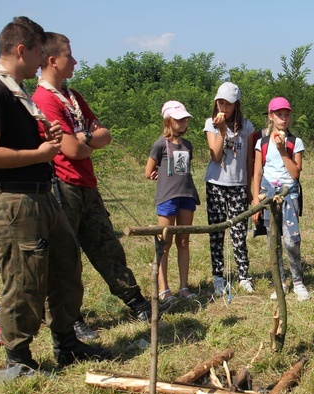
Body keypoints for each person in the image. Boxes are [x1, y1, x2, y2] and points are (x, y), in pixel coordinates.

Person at [0, 17, 111, 373]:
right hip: (13, 200)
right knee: (24, 279)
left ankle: (67, 344)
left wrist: (43, 140)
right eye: (36, 53)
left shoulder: (17, 93)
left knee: (66, 267)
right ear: (21, 50)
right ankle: (18, 359)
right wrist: (41, 154)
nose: (39, 62)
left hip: (41, 196)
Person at [32, 32, 159, 335]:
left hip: (86, 184)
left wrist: (85, 138)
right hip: (62, 185)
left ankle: (136, 301)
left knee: (106, 245)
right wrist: (85, 141)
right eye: (69, 56)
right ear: (53, 60)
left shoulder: (73, 97)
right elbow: (72, 150)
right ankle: (70, 320)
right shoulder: (44, 100)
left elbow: (104, 135)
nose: (74, 61)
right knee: (66, 257)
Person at [250, 97, 310, 301]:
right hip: (268, 195)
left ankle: (298, 281)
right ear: (271, 116)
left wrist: (284, 149)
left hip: (289, 195)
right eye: (279, 114)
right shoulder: (262, 143)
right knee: (272, 240)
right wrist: (255, 202)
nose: (283, 118)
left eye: (286, 114)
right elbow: (257, 173)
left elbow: (295, 173)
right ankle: (280, 282)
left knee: (292, 241)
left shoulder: (296, 142)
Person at [145, 101, 200, 306]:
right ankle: (164, 289)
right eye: (179, 119)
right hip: (167, 196)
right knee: (164, 243)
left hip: (187, 194)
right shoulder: (160, 144)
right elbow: (148, 171)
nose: (184, 122)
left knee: (183, 241)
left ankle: (184, 287)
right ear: (168, 121)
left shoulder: (188, 145)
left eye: (185, 119)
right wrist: (155, 175)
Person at [204, 82, 256, 297]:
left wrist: (252, 186)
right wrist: (222, 131)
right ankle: (218, 276)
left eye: (228, 103)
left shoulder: (247, 127)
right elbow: (215, 155)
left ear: (236, 105)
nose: (223, 107)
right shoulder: (211, 124)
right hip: (216, 183)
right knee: (216, 232)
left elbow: (251, 159)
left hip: (239, 184)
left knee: (239, 232)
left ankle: (244, 275)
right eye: (220, 102)